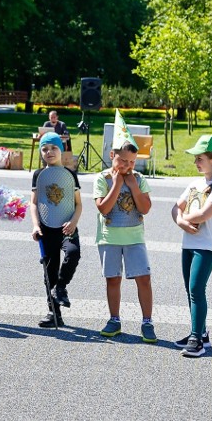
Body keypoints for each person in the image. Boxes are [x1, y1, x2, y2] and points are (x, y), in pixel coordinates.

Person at [93, 110, 155, 342]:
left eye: (132, 162)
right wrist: (118, 184)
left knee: (143, 278)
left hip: (134, 236)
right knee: (113, 278)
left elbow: (145, 208)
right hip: (110, 237)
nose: (128, 166)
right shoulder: (103, 179)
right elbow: (104, 208)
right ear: (112, 155)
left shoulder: (138, 179)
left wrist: (133, 186)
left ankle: (147, 321)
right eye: (123, 161)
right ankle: (114, 319)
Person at [171, 135, 212, 357]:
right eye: (195, 158)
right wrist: (181, 221)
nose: (196, 162)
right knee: (190, 289)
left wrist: (184, 218)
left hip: (207, 245)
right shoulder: (195, 183)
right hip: (189, 242)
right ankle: (200, 332)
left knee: (196, 288)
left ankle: (196, 340)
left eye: (200, 158)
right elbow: (176, 208)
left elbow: (205, 214)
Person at [29, 131, 82, 328]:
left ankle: (60, 288)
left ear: (61, 150)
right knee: (49, 270)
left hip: (67, 225)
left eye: (53, 148)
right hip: (46, 227)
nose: (49, 152)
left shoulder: (70, 174)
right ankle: (54, 313)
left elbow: (78, 204)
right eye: (44, 149)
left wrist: (74, 221)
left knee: (73, 253)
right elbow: (33, 203)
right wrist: (35, 224)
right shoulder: (38, 175)